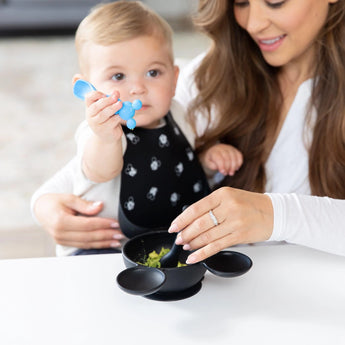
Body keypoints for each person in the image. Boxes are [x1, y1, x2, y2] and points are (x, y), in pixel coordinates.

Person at [32, 0, 345, 261]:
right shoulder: (212, 74)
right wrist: (45, 201)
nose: (254, 23)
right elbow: (131, 147)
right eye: (241, 2)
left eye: (275, 1)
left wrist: (273, 213)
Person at [31, 1, 242, 256]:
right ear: (86, 88)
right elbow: (100, 170)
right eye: (118, 76)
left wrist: (209, 160)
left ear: (175, 79)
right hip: (104, 249)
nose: (138, 88)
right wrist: (105, 138)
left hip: (170, 243)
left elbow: (180, 165)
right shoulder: (98, 131)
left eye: (153, 72)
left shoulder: (179, 113)